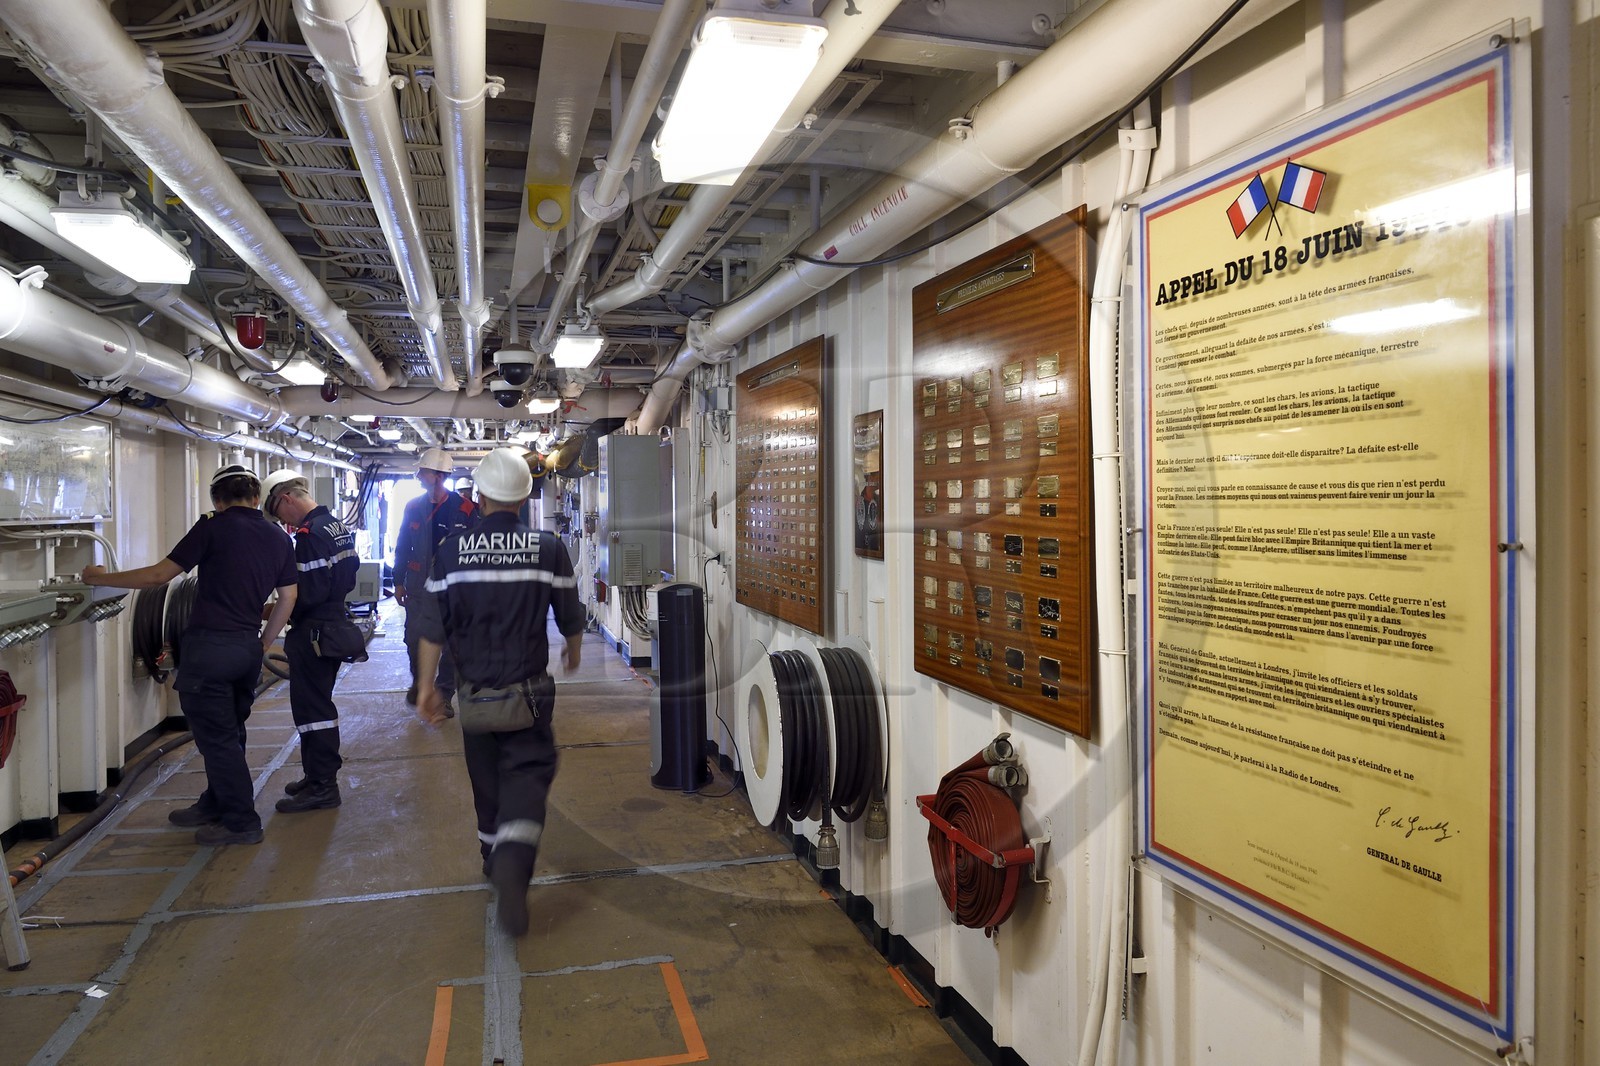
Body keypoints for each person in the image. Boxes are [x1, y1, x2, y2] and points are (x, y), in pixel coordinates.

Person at [411, 448, 584, 937]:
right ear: (525, 497)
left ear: (480, 496)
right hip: (528, 695)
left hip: (476, 697)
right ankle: (514, 862)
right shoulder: (548, 548)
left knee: (485, 780)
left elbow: (431, 626)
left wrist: (427, 688)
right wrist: (572, 652)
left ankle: (492, 855)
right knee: (528, 776)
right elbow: (570, 614)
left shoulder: (450, 552)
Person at [83, 465, 297, 846]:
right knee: (230, 732)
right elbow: (288, 597)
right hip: (246, 650)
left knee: (217, 739)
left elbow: (157, 577)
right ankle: (215, 802)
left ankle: (240, 821)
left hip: (210, 650)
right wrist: (264, 642)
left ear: (217, 499)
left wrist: (98, 578)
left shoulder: (212, 527)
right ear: (253, 498)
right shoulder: (279, 536)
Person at [260, 469, 360, 813]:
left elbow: (308, 593)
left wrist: (274, 611)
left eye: (279, 512)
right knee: (317, 705)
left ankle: (323, 786)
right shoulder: (337, 526)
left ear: (287, 499)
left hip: (313, 632)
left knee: (312, 711)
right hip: (333, 625)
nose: (283, 522)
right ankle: (316, 774)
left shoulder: (309, 536)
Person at [394, 447, 476, 710]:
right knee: (413, 638)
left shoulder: (465, 508)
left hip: (454, 589)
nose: (418, 475)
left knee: (452, 645)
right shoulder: (413, 507)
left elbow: (477, 549)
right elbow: (403, 545)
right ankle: (420, 683)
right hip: (418, 585)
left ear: (439, 476)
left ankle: (443, 695)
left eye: (423, 471)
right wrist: (397, 581)